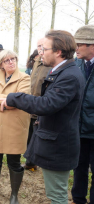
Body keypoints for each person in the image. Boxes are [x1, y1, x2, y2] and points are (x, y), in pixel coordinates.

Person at [0, 30, 85, 204]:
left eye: (44, 49)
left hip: (59, 146)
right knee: (55, 193)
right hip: (55, 143)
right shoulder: (62, 71)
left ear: (58, 52)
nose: (40, 53)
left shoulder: (69, 76)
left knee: (57, 195)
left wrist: (13, 97)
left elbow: (46, 104)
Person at [0, 49, 30, 204]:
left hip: (14, 128)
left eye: (13, 59)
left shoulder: (25, 78)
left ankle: (14, 195)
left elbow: (20, 100)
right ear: (1, 64)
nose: (11, 62)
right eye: (7, 60)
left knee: (14, 163)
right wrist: (6, 101)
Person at [71, 24, 94, 204]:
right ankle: (78, 199)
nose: (75, 48)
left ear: (92, 46)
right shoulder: (76, 63)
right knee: (79, 167)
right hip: (78, 128)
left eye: (79, 44)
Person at [22, 38, 52, 171]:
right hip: (31, 106)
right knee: (29, 136)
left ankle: (37, 162)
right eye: (38, 46)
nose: (40, 49)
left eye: (42, 46)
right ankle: (30, 162)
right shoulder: (36, 62)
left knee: (38, 137)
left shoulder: (50, 64)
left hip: (41, 107)